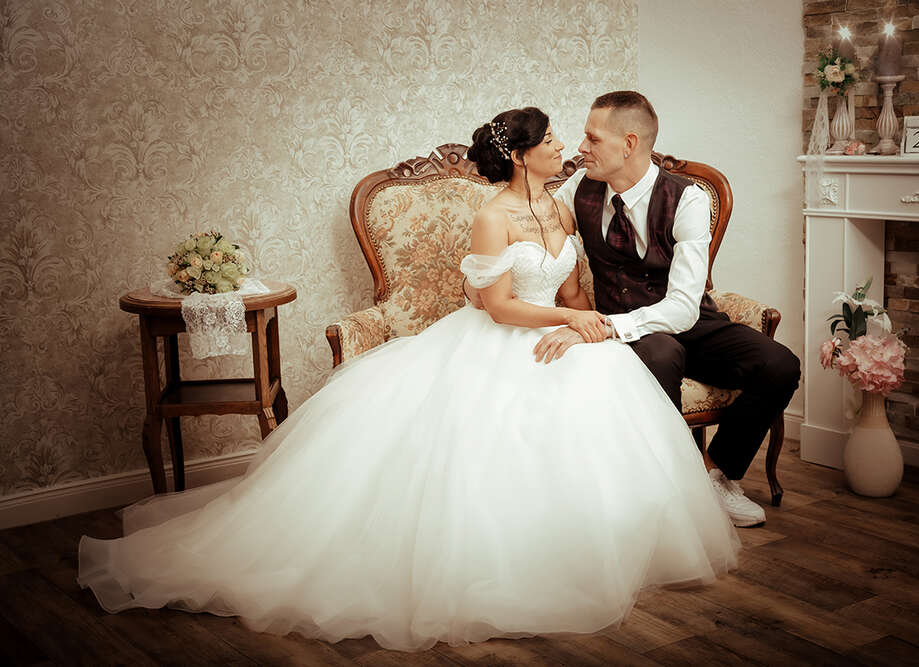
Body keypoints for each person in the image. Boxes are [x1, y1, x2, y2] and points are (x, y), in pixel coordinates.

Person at [78, 106, 739, 653]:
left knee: (605, 385)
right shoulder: (492, 217)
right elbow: (499, 307)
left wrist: (583, 322)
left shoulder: (563, 208)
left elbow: (569, 286)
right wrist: (572, 316)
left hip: (553, 330)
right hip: (499, 339)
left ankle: (595, 544)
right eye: (551, 140)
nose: (563, 146)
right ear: (521, 156)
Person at [470, 92, 800, 527]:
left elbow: (683, 307)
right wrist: (483, 277)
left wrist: (603, 325)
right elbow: (533, 225)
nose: (579, 148)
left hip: (686, 321)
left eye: (592, 138)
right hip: (635, 335)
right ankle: (668, 484)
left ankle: (716, 474)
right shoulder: (578, 188)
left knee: (780, 364)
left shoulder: (688, 198)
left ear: (628, 144)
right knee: (662, 353)